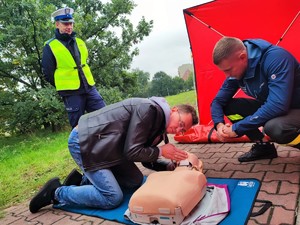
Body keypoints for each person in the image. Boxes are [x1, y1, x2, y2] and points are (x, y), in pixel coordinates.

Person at [29, 97, 198, 213]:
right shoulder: (149, 109)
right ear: (174, 110)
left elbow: (143, 157)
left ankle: (83, 181)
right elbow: (132, 151)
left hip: (108, 149)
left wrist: (168, 165)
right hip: (85, 143)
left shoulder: (159, 128)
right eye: (180, 123)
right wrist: (161, 151)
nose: (178, 129)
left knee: (136, 181)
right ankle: (56, 193)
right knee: (112, 197)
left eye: (183, 129)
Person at [211, 36, 300, 162]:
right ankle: (263, 147)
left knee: (274, 128)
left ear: (242, 57)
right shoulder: (237, 71)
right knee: (230, 107)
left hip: (294, 107)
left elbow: (278, 105)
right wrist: (219, 125)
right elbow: (218, 102)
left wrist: (237, 129)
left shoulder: (276, 58)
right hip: (279, 108)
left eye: (228, 70)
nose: (227, 76)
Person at [42, 7, 105, 128]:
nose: (69, 26)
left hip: (89, 88)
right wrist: (63, 85)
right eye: (65, 24)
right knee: (78, 127)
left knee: (105, 117)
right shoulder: (50, 46)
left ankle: (108, 146)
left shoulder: (80, 42)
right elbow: (48, 73)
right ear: (57, 24)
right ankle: (81, 147)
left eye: (70, 23)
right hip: (71, 93)